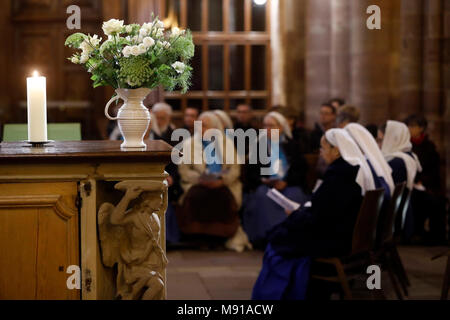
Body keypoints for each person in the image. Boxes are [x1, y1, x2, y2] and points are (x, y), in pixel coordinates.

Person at [252, 128, 375, 300]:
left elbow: (320, 218)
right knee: (283, 231)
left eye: (323, 148)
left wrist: (295, 214)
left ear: (336, 150)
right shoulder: (352, 169)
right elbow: (327, 209)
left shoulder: (339, 173)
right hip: (345, 234)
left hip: (333, 240)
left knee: (278, 241)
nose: (320, 152)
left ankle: (276, 294)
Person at [177, 111, 252, 252]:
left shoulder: (226, 142)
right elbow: (184, 170)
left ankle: (219, 237)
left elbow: (235, 168)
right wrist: (200, 179)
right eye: (199, 125)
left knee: (222, 196)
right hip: (197, 183)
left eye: (205, 126)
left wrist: (222, 180)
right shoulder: (189, 143)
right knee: (198, 196)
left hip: (223, 184)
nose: (201, 129)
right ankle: (200, 237)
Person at [242, 112, 309, 248]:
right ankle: (268, 237)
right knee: (263, 196)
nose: (268, 129)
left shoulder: (292, 145)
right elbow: (251, 173)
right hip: (266, 186)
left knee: (296, 195)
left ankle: (292, 236)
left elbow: (301, 169)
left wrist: (286, 181)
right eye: (265, 126)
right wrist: (264, 180)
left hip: (289, 184)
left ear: (281, 127)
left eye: (271, 126)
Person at [404, 115, 447, 245]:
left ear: (421, 128)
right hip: (411, 184)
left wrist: (423, 181)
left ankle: (435, 236)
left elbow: (433, 168)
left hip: (427, 184)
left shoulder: (429, 146)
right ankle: (415, 232)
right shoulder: (407, 145)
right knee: (416, 198)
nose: (409, 129)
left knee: (435, 201)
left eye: (412, 126)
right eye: (408, 126)